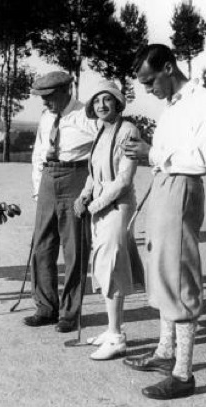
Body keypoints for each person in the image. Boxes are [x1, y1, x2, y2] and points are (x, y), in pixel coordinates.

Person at [121, 44, 206, 400]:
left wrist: (150, 153)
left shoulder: (200, 101)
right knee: (161, 269)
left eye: (150, 81)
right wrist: (150, 156)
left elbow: (200, 158)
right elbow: (167, 154)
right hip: (164, 184)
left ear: (169, 67)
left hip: (183, 186)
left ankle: (184, 374)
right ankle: (165, 353)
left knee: (177, 275)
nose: (148, 91)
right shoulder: (172, 106)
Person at [74, 80, 142, 360]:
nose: (101, 105)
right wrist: (84, 195)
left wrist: (97, 204)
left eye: (108, 100)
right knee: (103, 265)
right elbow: (95, 172)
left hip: (117, 206)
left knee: (111, 264)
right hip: (100, 207)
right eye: (97, 101)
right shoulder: (102, 130)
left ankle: (116, 337)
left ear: (118, 103)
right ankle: (112, 328)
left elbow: (124, 179)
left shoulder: (128, 131)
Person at [26, 71, 98, 333]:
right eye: (42, 98)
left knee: (74, 249)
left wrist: (92, 188)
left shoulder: (87, 115)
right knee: (42, 246)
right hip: (48, 178)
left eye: (49, 97)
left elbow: (104, 146)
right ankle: (45, 307)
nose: (45, 103)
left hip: (75, 178)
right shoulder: (46, 117)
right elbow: (38, 152)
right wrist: (38, 189)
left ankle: (69, 313)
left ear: (67, 90)